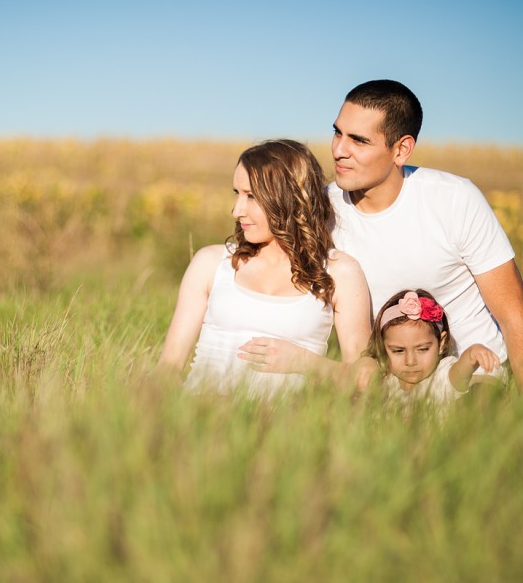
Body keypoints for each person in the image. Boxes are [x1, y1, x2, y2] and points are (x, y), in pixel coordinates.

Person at [239, 80, 523, 389]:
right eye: (338, 133)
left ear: (401, 149)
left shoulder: (455, 199)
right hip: (387, 387)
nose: (339, 150)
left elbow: (514, 316)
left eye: (358, 141)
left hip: (474, 380)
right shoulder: (322, 209)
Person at [157, 139, 371, 398]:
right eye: (237, 194)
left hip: (287, 431)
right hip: (201, 421)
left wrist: (305, 362)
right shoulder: (211, 263)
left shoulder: (340, 272)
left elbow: (366, 379)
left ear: (290, 197)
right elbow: (168, 369)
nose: (237, 210)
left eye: (251, 196)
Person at [363, 289, 501, 408]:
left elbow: (460, 373)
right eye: (398, 351)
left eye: (422, 349)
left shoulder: (442, 376)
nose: (410, 361)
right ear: (382, 347)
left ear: (441, 343)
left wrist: (472, 354)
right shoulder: (386, 379)